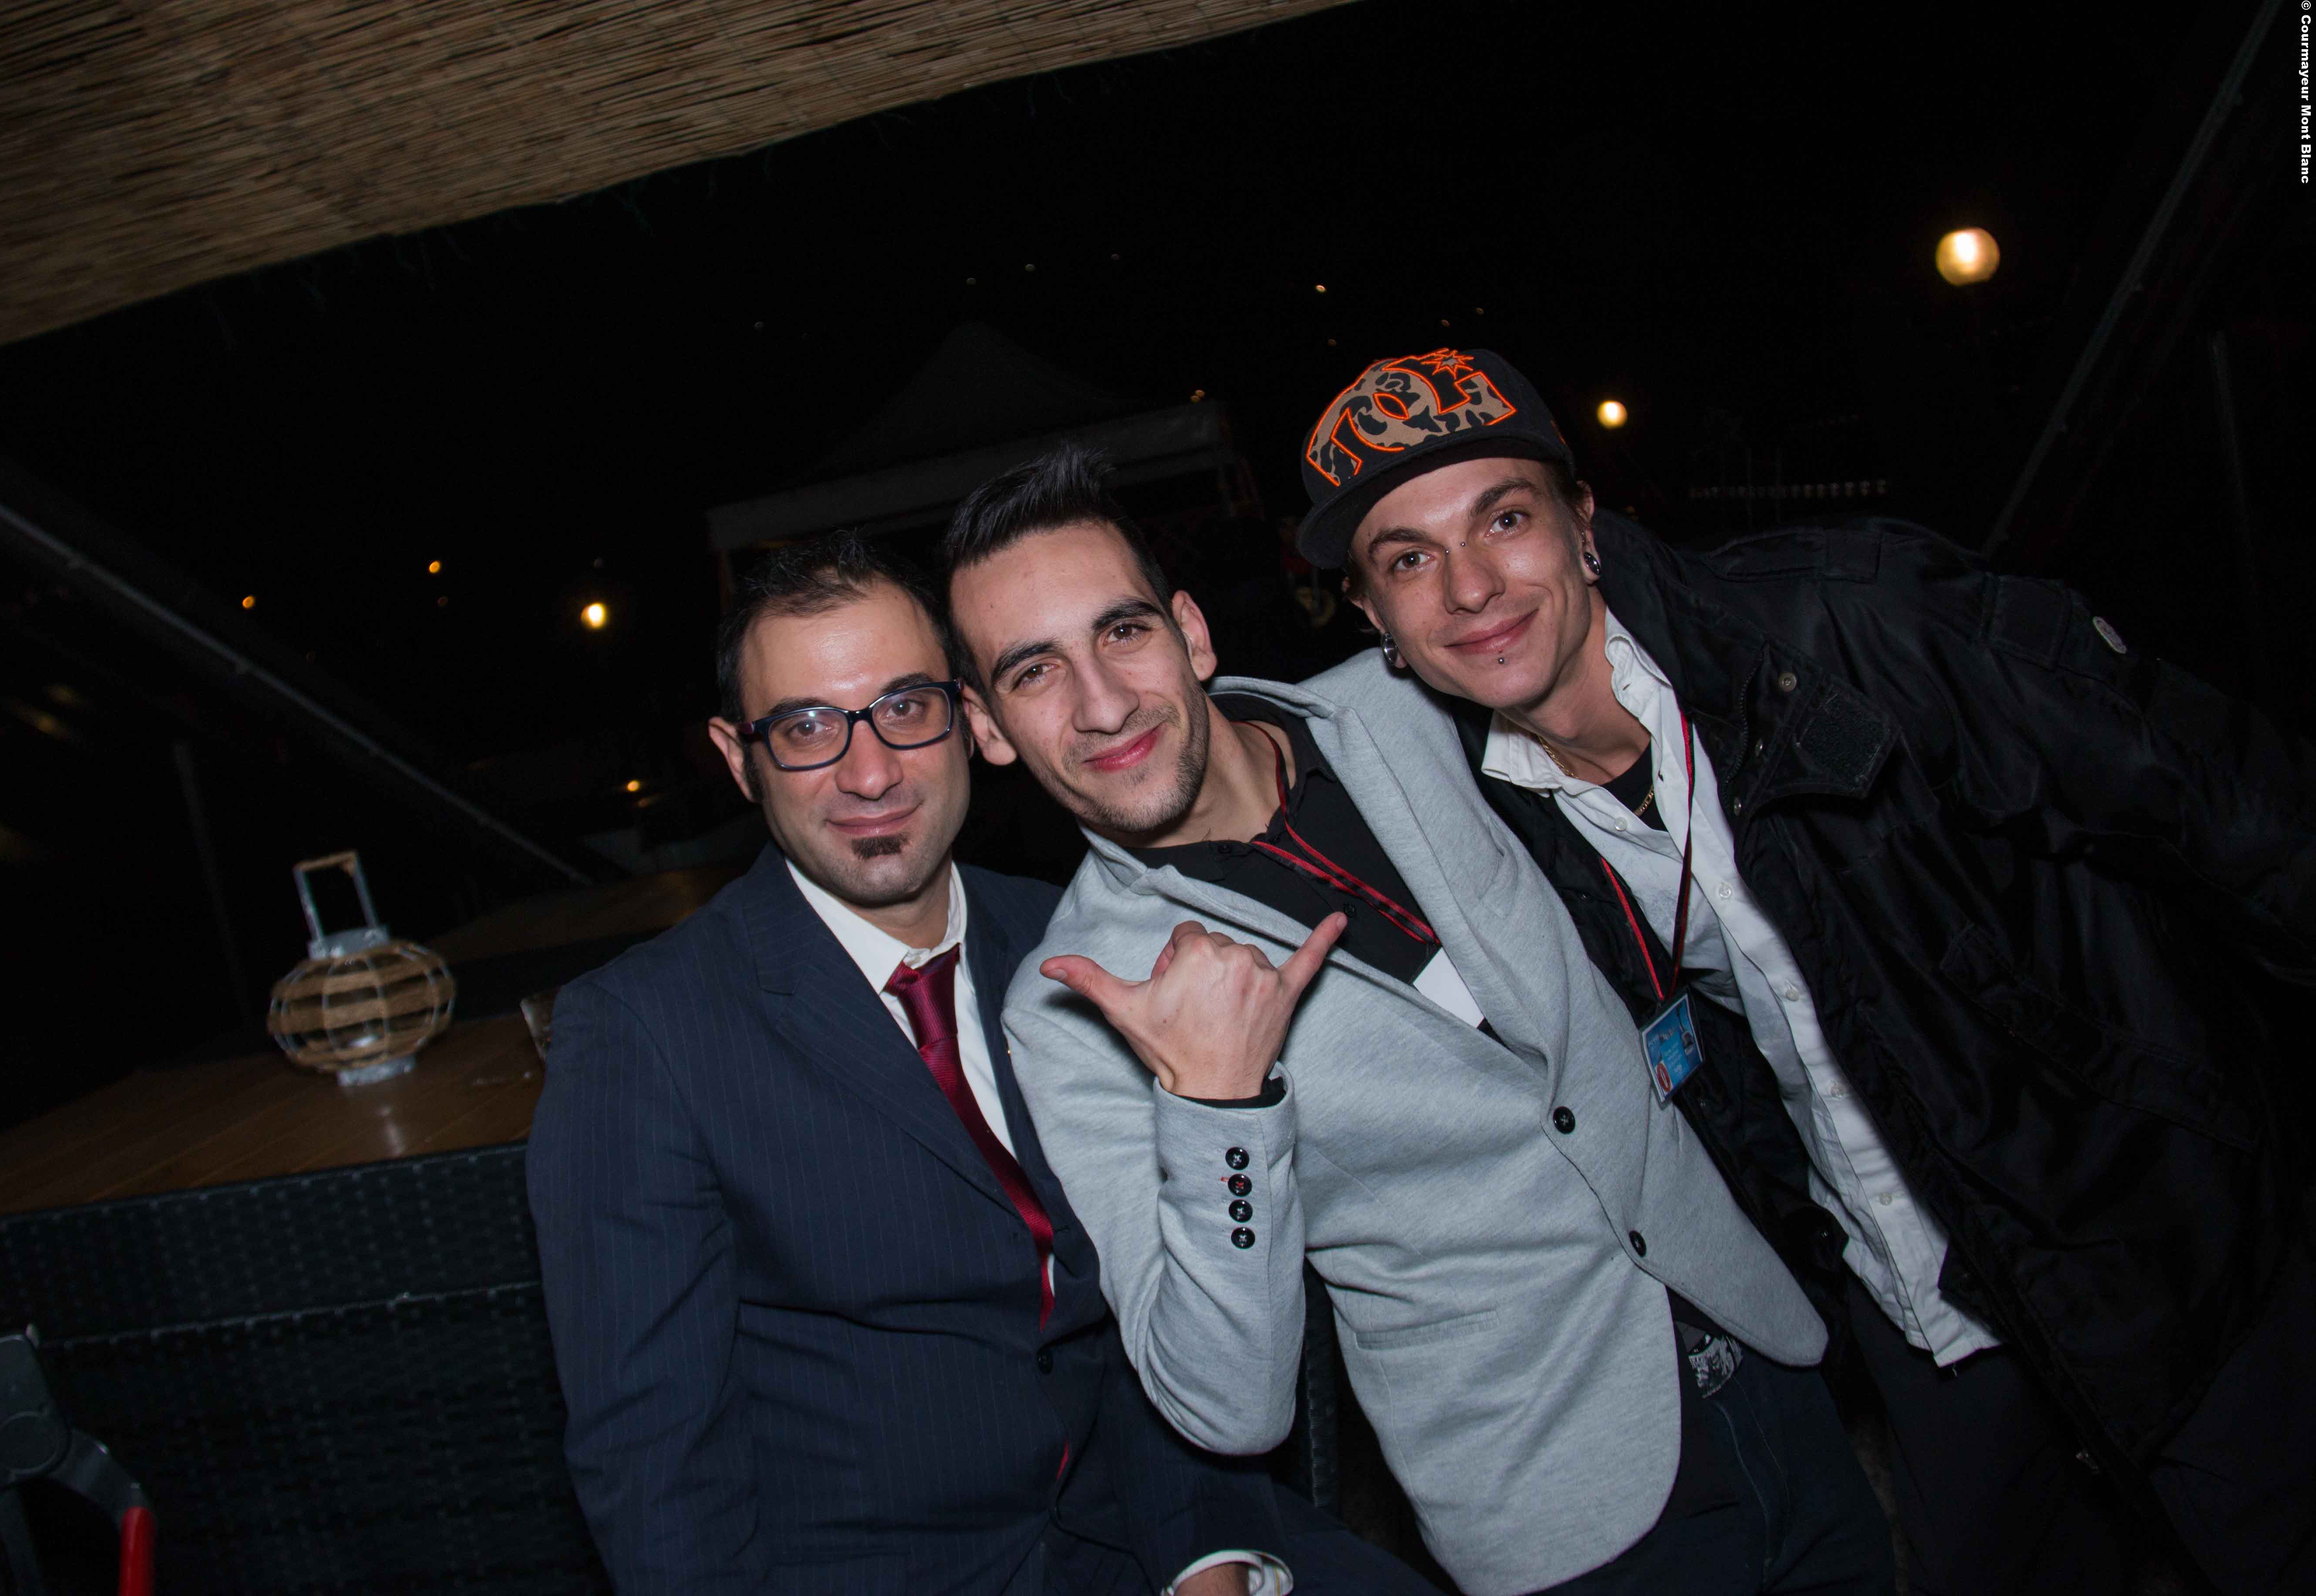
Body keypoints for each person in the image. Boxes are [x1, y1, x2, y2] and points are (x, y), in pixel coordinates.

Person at [1291, 344, 2316, 1595]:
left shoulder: (1847, 624)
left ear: (1585, 523)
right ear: (1376, 624)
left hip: (2164, 1253)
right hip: (1919, 1313)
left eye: (1504, 518)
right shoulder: (1503, 812)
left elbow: (2234, 806)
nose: (1470, 587)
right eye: (1407, 560)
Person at [940, 445, 1894, 1596]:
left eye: (1124, 632)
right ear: (987, 727)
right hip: (1559, 1505)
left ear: (1190, 633)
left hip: (1772, 1353)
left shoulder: (1404, 706)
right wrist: (1216, 1107)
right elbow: (1224, 1405)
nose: (1102, 704)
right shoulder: (1071, 1003)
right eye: (1034, 673)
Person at [526, 532, 1426, 1596]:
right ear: (738, 758)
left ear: (966, 717)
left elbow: (1159, 1315)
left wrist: (1206, 1557)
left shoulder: (1077, 943)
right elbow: (656, 1468)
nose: (871, 773)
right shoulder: (644, 1035)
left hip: (1152, 1536)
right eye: (807, 728)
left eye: (906, 708)